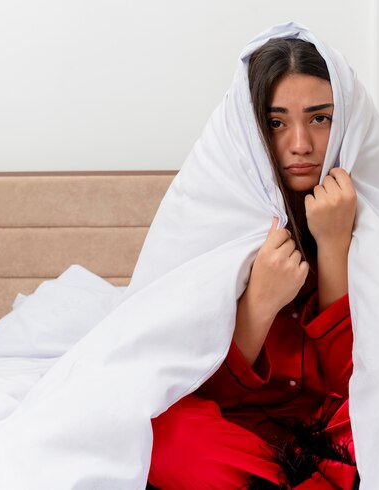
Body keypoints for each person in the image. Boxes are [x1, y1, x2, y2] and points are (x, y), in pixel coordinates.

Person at [146, 38, 360, 489]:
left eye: (320, 119)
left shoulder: (375, 210)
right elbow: (187, 379)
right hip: (232, 430)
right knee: (159, 428)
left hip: (332, 427)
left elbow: (363, 376)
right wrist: (258, 306)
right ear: (249, 129)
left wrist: (335, 247)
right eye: (275, 122)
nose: (300, 144)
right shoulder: (209, 217)